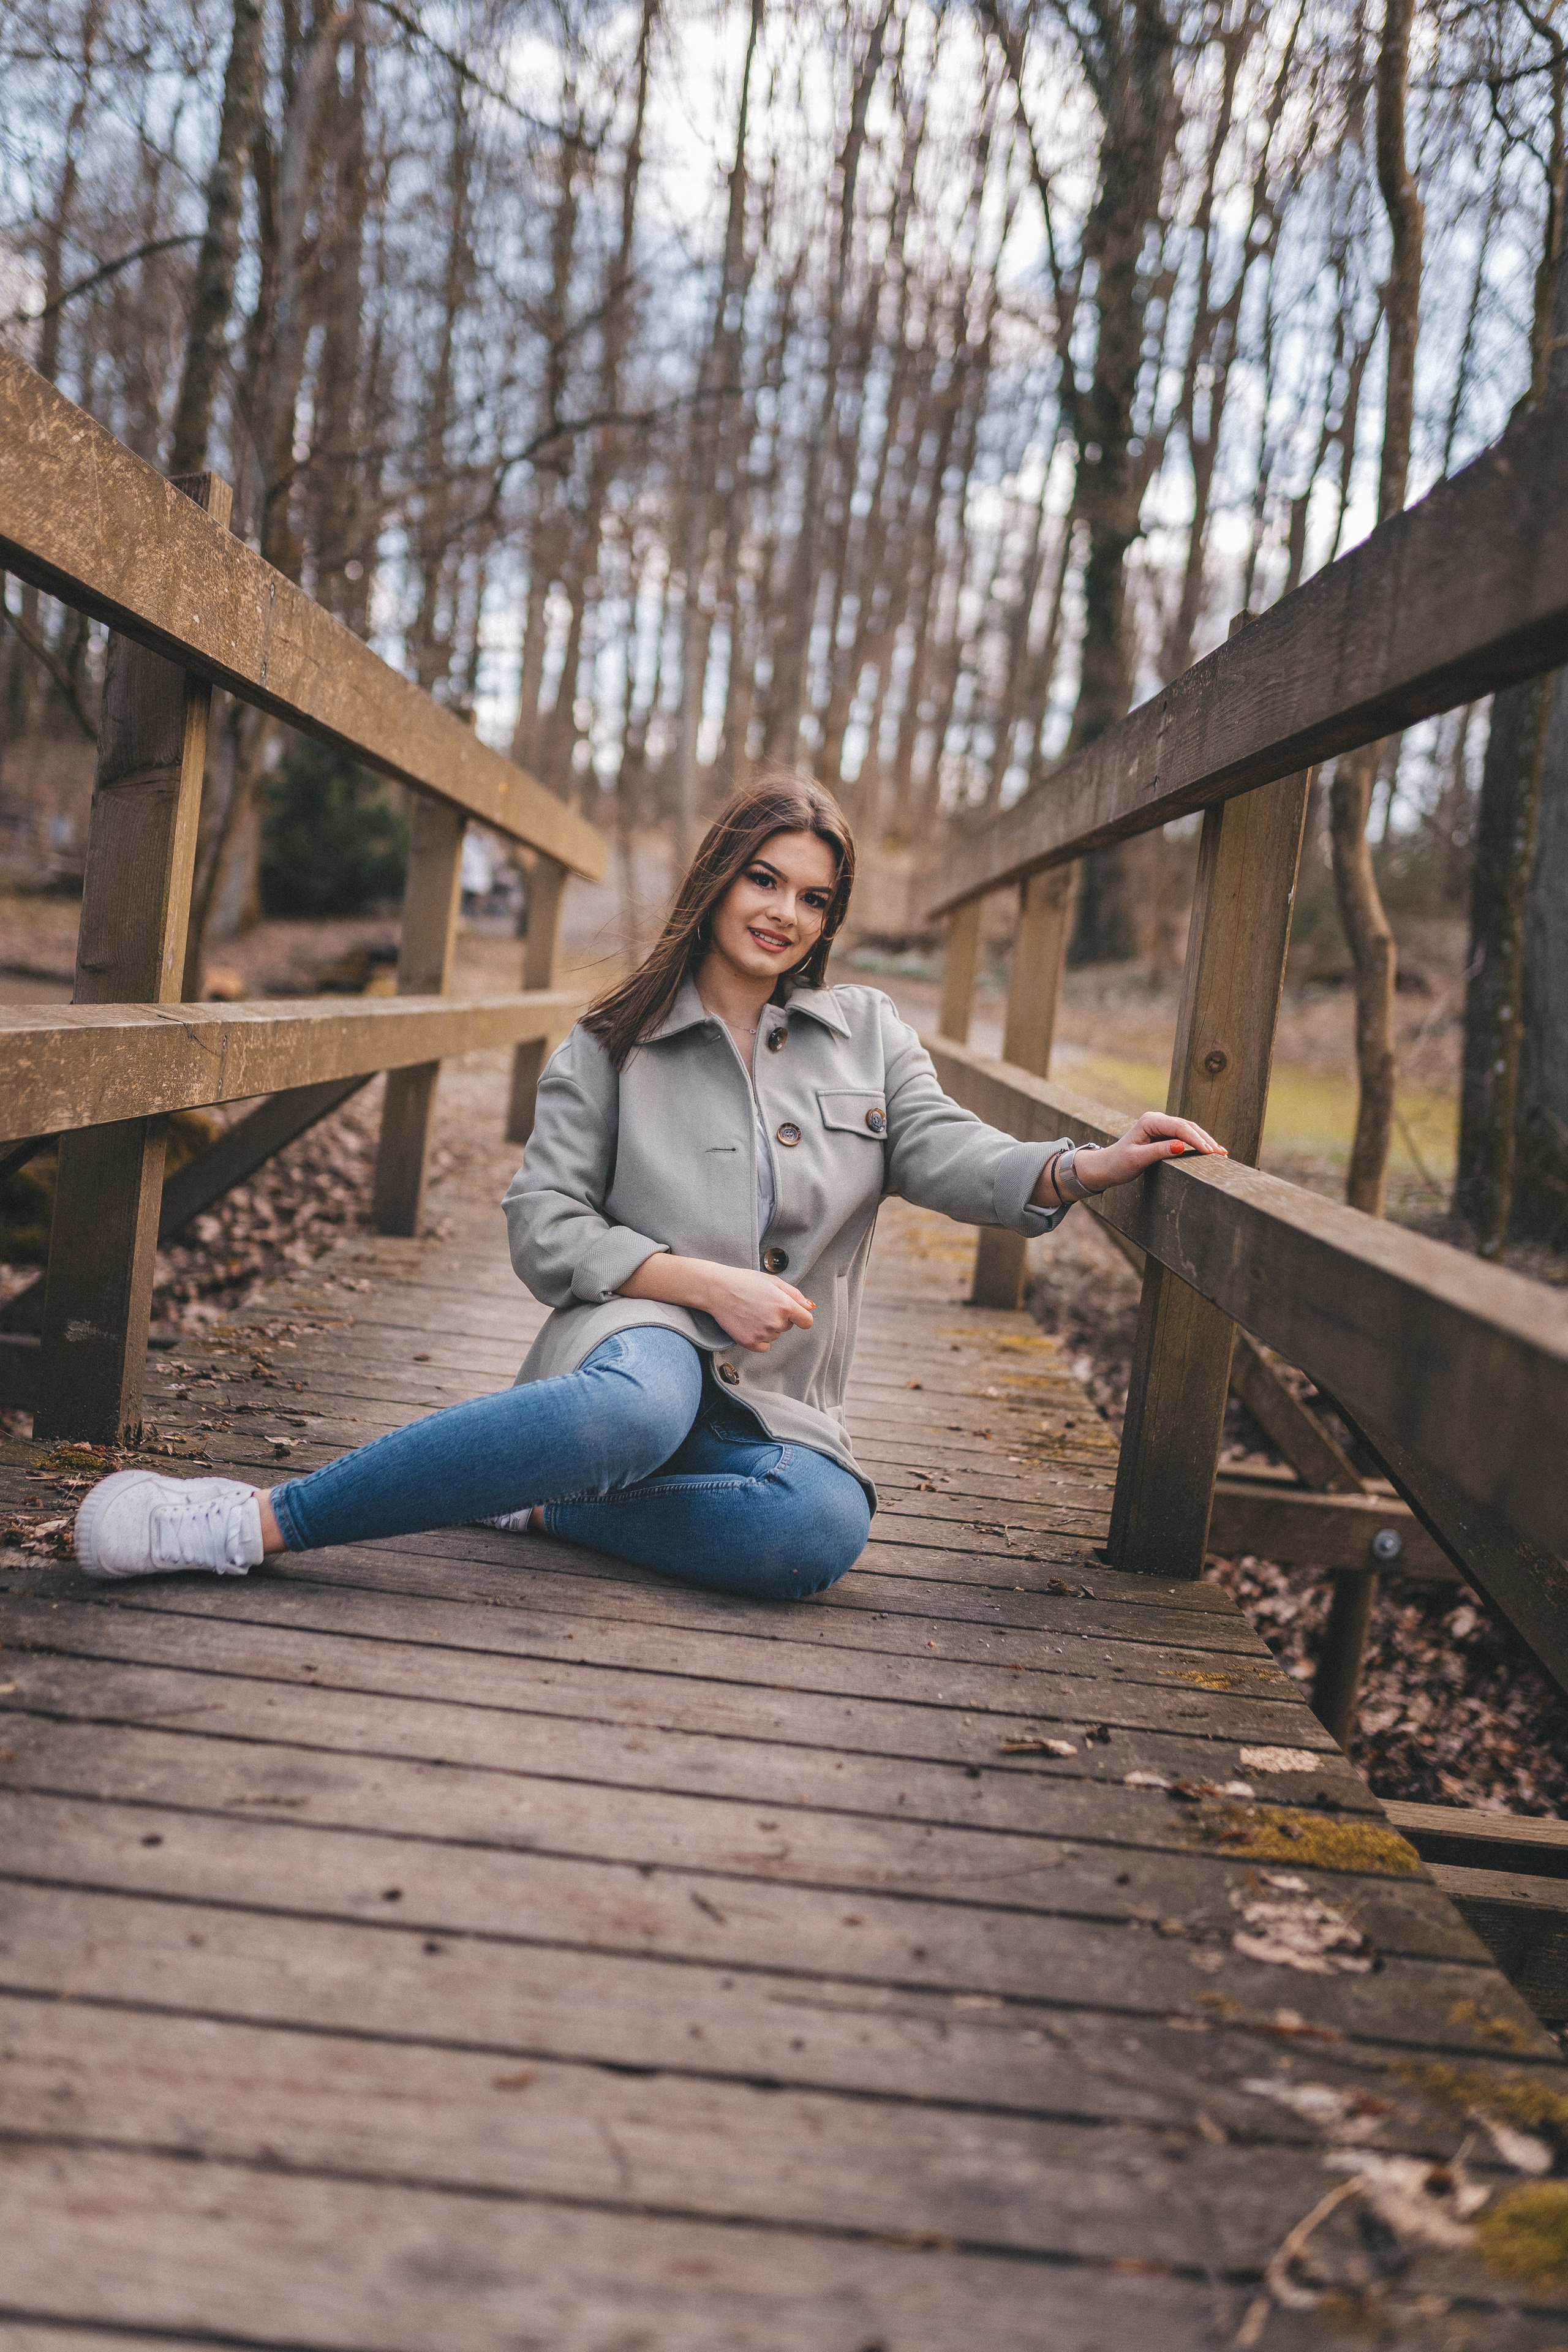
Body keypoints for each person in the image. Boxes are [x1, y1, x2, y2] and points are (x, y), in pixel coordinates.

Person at [73, 779, 1224, 1597]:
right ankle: (251, 1522)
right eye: (763, 878)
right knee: (637, 1407)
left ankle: (536, 1497)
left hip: (774, 1400)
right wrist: (694, 1284)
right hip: (632, 1341)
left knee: (819, 1530)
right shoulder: (610, 1044)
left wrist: (1082, 1165)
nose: (783, 912)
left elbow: (946, 1147)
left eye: (814, 898)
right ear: (717, 877)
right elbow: (543, 1227)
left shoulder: (867, 1031)